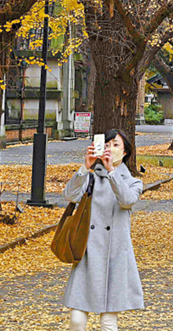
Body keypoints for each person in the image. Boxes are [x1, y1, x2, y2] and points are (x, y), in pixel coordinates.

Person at [63, 128, 144, 331]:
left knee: (108, 322)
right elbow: (70, 196)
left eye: (116, 145)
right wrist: (85, 167)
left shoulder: (133, 182)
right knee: (77, 319)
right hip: (88, 252)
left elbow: (126, 201)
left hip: (115, 255)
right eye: (106, 145)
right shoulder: (90, 179)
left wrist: (112, 173)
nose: (110, 149)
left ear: (125, 152)